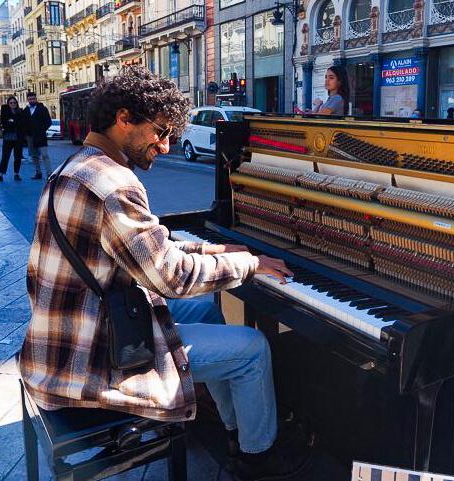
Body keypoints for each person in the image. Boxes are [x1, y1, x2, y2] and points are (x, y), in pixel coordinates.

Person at [18, 66, 311, 481]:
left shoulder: (75, 168)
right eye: (160, 131)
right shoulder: (114, 183)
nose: (168, 146)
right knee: (253, 349)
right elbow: (171, 279)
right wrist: (247, 263)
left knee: (209, 313)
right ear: (123, 120)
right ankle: (258, 456)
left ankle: (232, 429)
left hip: (66, 336)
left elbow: (143, 247)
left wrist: (210, 249)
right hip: (90, 359)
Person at [22, 91, 52, 180]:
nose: (31, 100)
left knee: (44, 155)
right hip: (30, 137)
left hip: (41, 136)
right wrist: (26, 135)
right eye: (30, 99)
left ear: (36, 99)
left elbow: (48, 122)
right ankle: (38, 172)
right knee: (34, 156)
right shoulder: (25, 110)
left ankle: (49, 173)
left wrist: (41, 130)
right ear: (27, 100)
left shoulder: (43, 108)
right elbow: (23, 123)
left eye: (33, 99)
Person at [0, 97, 25, 182]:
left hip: (18, 138)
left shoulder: (20, 112)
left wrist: (12, 121)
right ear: (8, 103)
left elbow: (21, 124)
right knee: (5, 156)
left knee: (17, 157)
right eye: (11, 103)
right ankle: (0, 174)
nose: (12, 104)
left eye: (14, 102)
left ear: (16, 103)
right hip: (8, 137)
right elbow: (5, 123)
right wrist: (13, 122)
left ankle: (16, 174)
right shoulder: (5, 111)